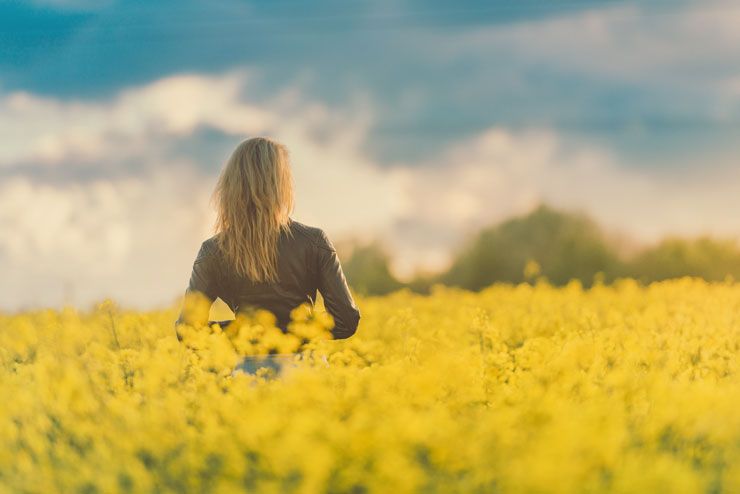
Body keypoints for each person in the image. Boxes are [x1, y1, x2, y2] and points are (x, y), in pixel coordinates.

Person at [174, 137, 361, 356]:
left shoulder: (213, 250)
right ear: (281, 184)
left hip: (247, 372)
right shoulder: (314, 241)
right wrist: (295, 329)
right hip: (306, 374)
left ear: (231, 185)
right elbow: (346, 320)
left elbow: (188, 330)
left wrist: (244, 331)